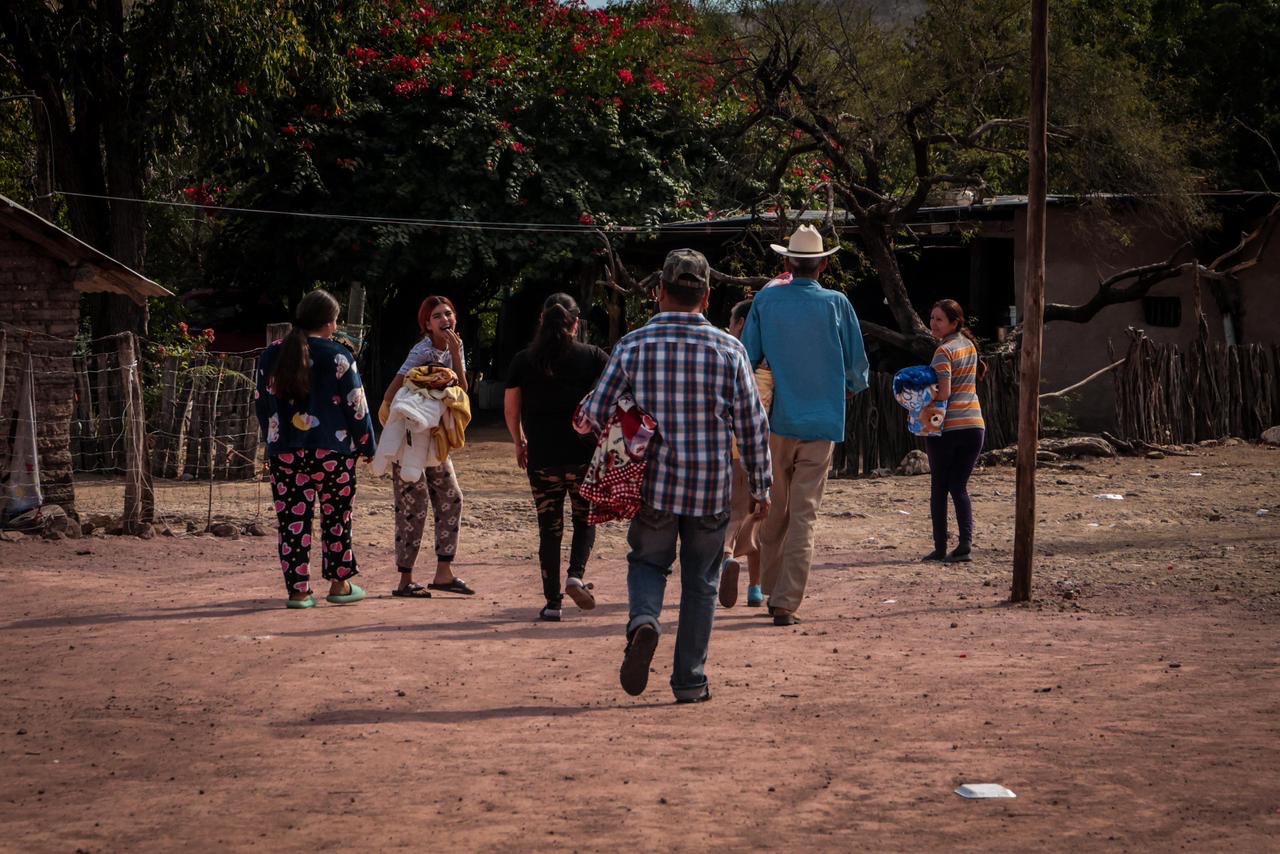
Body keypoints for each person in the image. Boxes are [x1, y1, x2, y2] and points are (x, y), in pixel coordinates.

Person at [576, 248, 772, 703]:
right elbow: (752, 423)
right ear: (706, 297)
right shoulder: (730, 349)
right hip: (710, 488)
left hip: (655, 487)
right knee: (701, 582)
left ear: (659, 293)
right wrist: (761, 486)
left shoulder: (632, 345)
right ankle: (689, 681)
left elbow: (590, 416)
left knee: (648, 563)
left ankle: (644, 621)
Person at [741, 225, 869, 626]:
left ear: (786, 263)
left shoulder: (766, 299)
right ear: (824, 264)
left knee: (776, 510)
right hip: (823, 422)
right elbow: (857, 368)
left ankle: (773, 590)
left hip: (777, 421)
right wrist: (847, 388)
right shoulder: (837, 303)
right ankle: (786, 601)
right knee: (805, 514)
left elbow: (747, 356)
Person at [255, 289, 376, 609]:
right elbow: (356, 406)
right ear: (330, 322)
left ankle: (298, 592)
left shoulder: (271, 354)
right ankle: (340, 584)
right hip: (333, 453)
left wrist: (272, 442)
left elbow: (262, 403)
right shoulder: (339, 355)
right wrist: (367, 444)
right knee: (337, 518)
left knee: (292, 521)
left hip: (286, 452)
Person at [504, 293, 609, 622]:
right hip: (583, 456)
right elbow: (617, 390)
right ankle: (575, 575)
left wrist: (519, 442)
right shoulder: (592, 356)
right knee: (584, 519)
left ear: (541, 320)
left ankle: (552, 603)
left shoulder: (523, 360)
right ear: (576, 323)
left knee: (549, 529)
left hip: (542, 457)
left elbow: (511, 408)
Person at [380, 295, 474, 599]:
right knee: (412, 506)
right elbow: (392, 391)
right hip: (411, 439)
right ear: (427, 323)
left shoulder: (455, 348)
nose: (445, 320)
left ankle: (443, 573)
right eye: (438, 316)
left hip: (435, 440)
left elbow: (461, 389)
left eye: (449, 313)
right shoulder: (421, 351)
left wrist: (457, 355)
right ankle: (405, 580)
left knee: (451, 497)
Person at [921, 299, 987, 564]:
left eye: (939, 319)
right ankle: (964, 545)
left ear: (954, 323)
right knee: (959, 487)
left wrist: (919, 393)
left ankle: (939, 548)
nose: (933, 324)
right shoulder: (969, 346)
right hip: (974, 425)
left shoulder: (943, 351)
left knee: (939, 486)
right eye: (932, 318)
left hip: (948, 427)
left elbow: (944, 393)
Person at [720, 297, 766, 609]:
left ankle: (724, 557)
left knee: (734, 513)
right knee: (758, 515)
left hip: (729, 450)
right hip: (761, 450)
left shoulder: (723, 356)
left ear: (738, 323)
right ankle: (755, 587)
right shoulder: (767, 365)